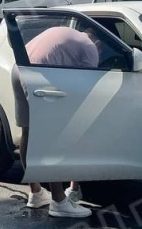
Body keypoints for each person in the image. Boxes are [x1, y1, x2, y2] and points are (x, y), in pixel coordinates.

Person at [17, 25, 98, 218]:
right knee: (53, 136)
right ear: (99, 42)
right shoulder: (90, 47)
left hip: (20, 70)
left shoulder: (66, 32)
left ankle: (36, 192)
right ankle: (59, 201)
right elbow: (88, 88)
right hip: (41, 75)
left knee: (28, 131)